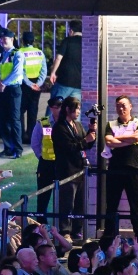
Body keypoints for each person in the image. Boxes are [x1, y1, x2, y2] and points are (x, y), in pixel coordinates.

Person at [51, 96, 96, 239]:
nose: (78, 112)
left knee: (80, 204)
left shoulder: (77, 125)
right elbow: (69, 148)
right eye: (76, 109)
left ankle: (77, 230)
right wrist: (85, 140)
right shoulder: (59, 127)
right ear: (67, 109)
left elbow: (84, 145)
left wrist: (90, 133)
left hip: (80, 170)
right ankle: (65, 231)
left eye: (79, 109)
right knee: (67, 203)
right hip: (67, 171)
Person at [103, 95, 138, 237]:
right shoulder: (111, 124)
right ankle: (109, 236)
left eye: (123, 105)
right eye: (118, 106)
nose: (121, 108)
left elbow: (137, 137)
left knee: (136, 205)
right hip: (115, 170)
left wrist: (117, 139)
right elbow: (109, 142)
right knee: (111, 204)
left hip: (134, 169)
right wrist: (129, 140)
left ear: (130, 106)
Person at [0, 29, 24, 159]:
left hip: (13, 90)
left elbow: (17, 72)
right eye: (1, 39)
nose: (2, 41)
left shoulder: (17, 54)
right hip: (2, 90)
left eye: (4, 38)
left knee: (14, 120)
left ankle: (18, 149)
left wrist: (3, 83)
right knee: (3, 120)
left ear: (12, 39)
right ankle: (7, 148)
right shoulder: (2, 54)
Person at [31, 97, 63, 220]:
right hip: (46, 165)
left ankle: (63, 225)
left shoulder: (67, 122)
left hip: (62, 164)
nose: (60, 109)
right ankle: (41, 225)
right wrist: (42, 157)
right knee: (43, 196)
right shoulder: (43, 123)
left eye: (61, 106)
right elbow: (35, 143)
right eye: (57, 107)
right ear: (51, 108)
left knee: (64, 197)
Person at [18, 31, 47, 142]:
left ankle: (21, 135)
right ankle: (31, 135)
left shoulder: (20, 52)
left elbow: (21, 71)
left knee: (20, 110)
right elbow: (44, 71)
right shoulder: (39, 53)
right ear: (33, 41)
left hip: (24, 84)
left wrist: (30, 84)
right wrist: (38, 84)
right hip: (36, 85)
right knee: (33, 110)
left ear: (23, 41)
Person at [48, 20, 83, 106]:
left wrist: (53, 73)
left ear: (71, 30)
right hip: (79, 82)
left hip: (65, 80)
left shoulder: (67, 41)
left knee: (54, 105)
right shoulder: (85, 43)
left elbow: (58, 58)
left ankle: (50, 116)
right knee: (74, 107)